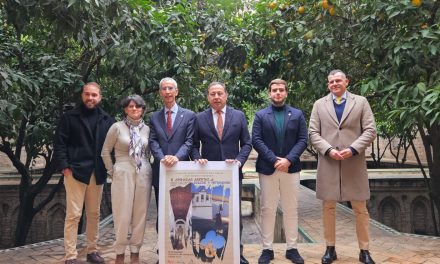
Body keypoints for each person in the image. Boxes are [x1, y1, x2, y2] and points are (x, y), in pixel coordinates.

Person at [309, 70, 377, 264]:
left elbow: (371, 130)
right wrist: (328, 149)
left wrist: (354, 148)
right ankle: (330, 249)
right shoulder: (319, 104)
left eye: (338, 80)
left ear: (346, 81)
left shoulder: (361, 102)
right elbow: (313, 133)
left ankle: (364, 250)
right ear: (327, 84)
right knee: (328, 207)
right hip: (329, 162)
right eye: (331, 81)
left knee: (360, 207)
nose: (334, 84)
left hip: (354, 163)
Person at [191, 82, 252, 264]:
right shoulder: (199, 118)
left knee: (234, 216)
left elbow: (247, 144)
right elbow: (194, 145)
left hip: (232, 176)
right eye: (212, 94)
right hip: (208, 177)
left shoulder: (239, 116)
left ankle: (237, 253)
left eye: (219, 93)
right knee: (210, 217)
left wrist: (239, 162)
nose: (216, 97)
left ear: (226, 95)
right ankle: (210, 253)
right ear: (208, 97)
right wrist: (197, 158)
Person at [54, 82, 114, 264]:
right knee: (73, 215)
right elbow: (60, 143)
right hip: (75, 172)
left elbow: (111, 147)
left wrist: (111, 169)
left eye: (94, 95)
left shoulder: (107, 120)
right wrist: (64, 166)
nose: (90, 98)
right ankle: (71, 255)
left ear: (100, 97)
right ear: (82, 96)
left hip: (97, 172)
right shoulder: (69, 117)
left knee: (94, 214)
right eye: (87, 94)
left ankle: (92, 250)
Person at [252, 79, 308, 264]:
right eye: (274, 90)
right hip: (268, 168)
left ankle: (292, 248)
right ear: (269, 93)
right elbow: (257, 140)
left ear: (286, 93)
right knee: (267, 209)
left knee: (291, 209)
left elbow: (302, 140)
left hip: (291, 169)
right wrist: (274, 160)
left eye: (281, 90)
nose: (277, 93)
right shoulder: (260, 115)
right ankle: (267, 249)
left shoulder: (297, 114)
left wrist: (288, 160)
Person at [101, 95, 152, 264]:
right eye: (130, 106)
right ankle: (120, 252)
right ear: (125, 109)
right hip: (122, 170)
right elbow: (105, 151)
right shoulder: (116, 127)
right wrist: (112, 171)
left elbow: (149, 151)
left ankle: (136, 252)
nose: (134, 109)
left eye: (138, 107)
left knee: (140, 213)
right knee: (122, 214)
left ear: (142, 109)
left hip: (143, 171)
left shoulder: (147, 129)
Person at [149, 77, 196, 233]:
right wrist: (162, 158)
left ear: (176, 91)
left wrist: (176, 157)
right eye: (164, 89)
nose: (167, 92)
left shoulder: (189, 115)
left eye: (170, 88)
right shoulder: (154, 117)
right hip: (161, 170)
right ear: (160, 93)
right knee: (162, 212)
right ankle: (161, 253)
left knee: (183, 212)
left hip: (182, 171)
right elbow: (153, 141)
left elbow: (190, 141)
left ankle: (183, 250)